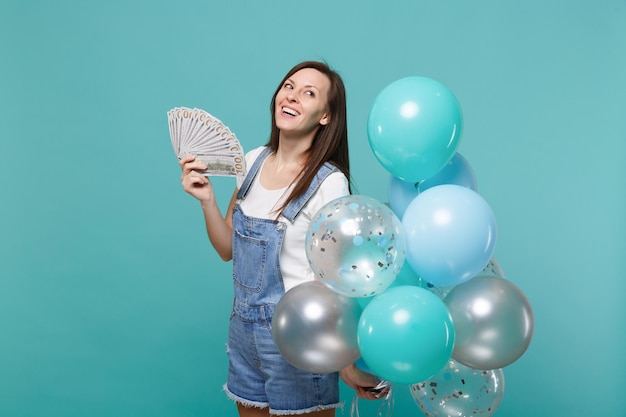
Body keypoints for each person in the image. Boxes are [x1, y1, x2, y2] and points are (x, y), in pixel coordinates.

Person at [180, 61, 381, 416]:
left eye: (309, 93)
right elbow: (227, 248)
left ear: (325, 116)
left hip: (301, 337)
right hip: (243, 335)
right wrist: (207, 200)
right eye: (289, 86)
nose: (292, 96)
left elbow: (341, 280)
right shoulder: (252, 162)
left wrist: (344, 360)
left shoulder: (330, 183)